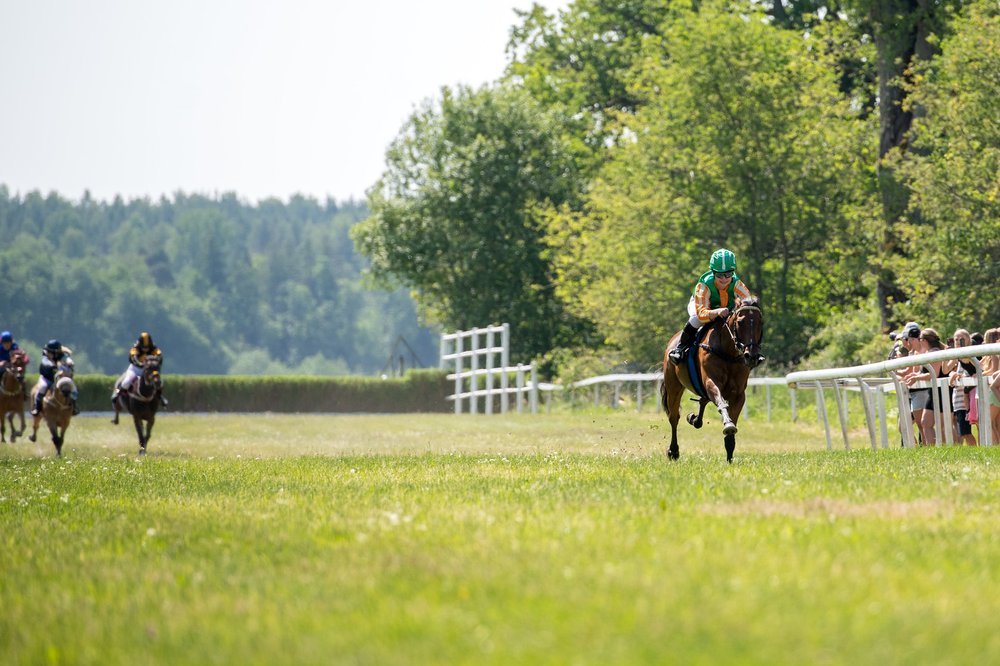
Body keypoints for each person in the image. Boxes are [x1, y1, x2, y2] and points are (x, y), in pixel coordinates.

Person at [668, 248, 760, 364]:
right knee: (696, 319)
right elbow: (701, 314)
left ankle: (750, 349)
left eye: (728, 274)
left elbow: (748, 307)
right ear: (713, 272)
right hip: (701, 307)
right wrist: (716, 312)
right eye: (719, 275)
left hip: (726, 307)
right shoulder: (703, 285)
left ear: (733, 272)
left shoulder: (737, 284)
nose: (724, 279)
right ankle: (680, 348)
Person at [903, 328, 948, 445]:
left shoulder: (935, 352)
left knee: (943, 425)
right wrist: (915, 374)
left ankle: (945, 449)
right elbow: (926, 372)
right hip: (932, 392)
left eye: (920, 339)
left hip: (941, 391)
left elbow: (934, 374)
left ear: (924, 340)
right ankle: (933, 451)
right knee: (925, 423)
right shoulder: (929, 353)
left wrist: (916, 377)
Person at [112, 331, 167, 406]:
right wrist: (140, 364)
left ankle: (160, 397)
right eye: (144, 347)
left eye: (147, 347)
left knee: (159, 382)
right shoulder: (135, 348)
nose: (145, 349)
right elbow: (133, 358)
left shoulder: (154, 348)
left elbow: (159, 355)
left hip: (148, 371)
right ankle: (117, 393)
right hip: (135, 369)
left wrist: (157, 363)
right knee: (126, 382)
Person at [944, 328, 977, 445]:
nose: (958, 341)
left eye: (961, 339)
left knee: (970, 429)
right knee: (964, 431)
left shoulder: (972, 353)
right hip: (958, 398)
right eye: (955, 339)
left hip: (969, 396)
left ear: (968, 339)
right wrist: (945, 354)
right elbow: (945, 369)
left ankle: (980, 452)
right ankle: (977, 452)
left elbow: (976, 368)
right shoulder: (956, 356)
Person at [31, 339, 79, 416]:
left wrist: (70, 362)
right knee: (42, 387)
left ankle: (74, 407)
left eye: (51, 352)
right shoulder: (46, 357)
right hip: (47, 378)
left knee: (72, 388)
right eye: (49, 352)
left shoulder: (62, 355)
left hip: (60, 378)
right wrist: (53, 366)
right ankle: (37, 408)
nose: (49, 353)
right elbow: (45, 363)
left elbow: (67, 359)